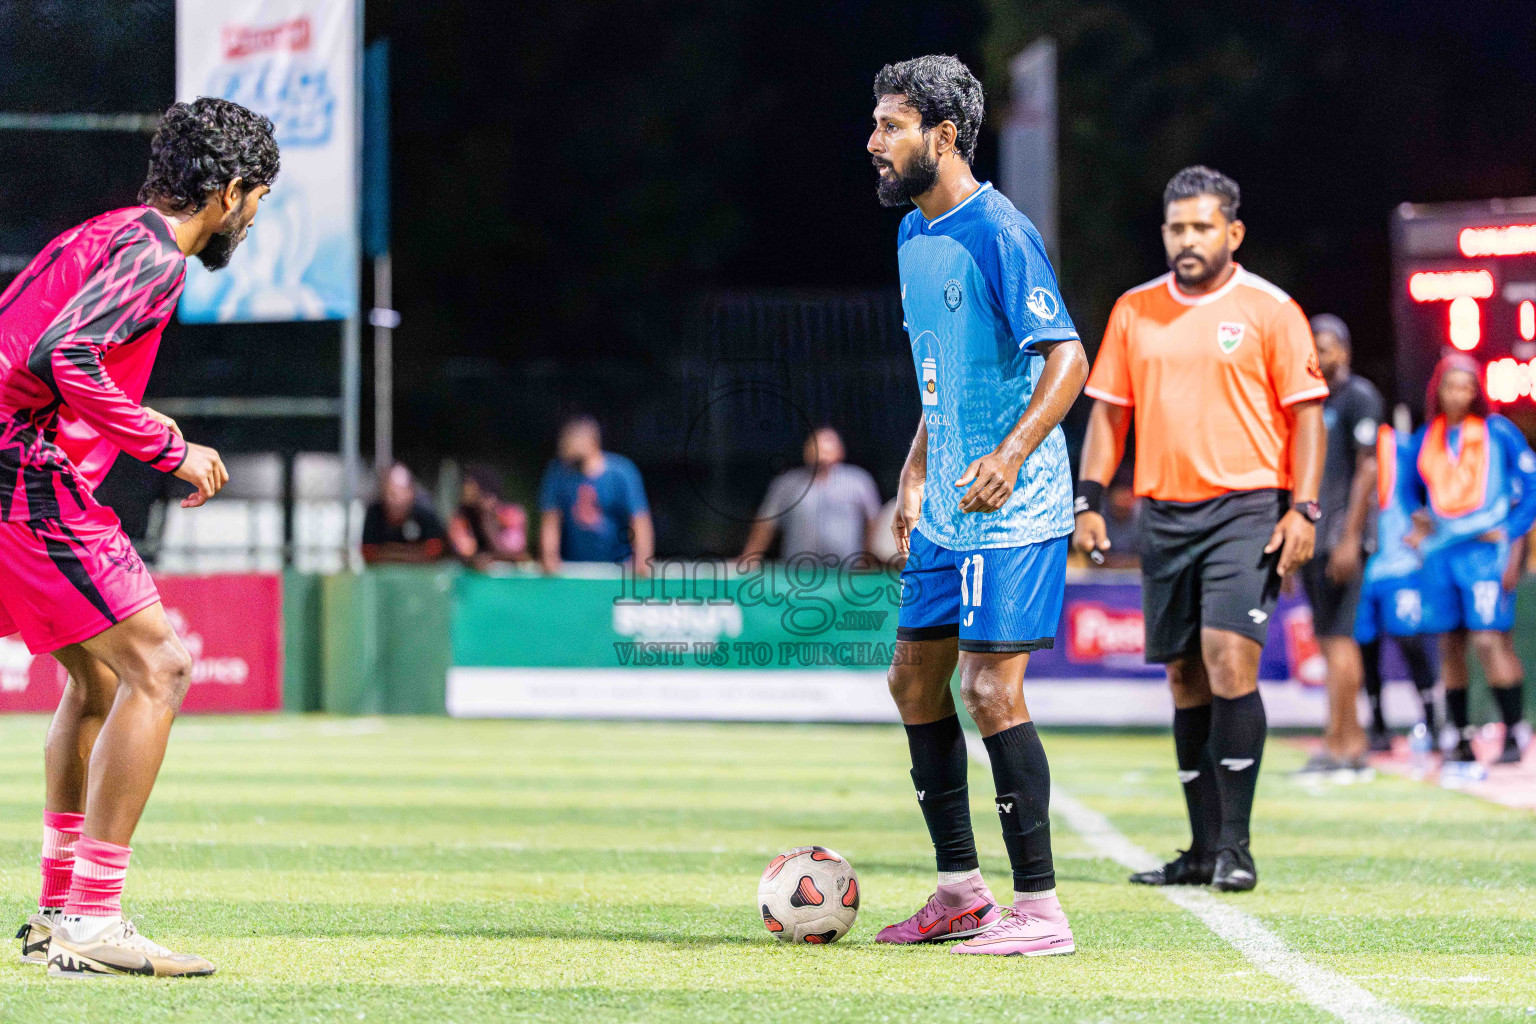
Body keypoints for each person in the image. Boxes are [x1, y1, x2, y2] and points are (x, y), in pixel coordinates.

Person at [1, 97, 278, 977]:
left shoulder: (109, 232)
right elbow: (65, 354)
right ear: (229, 191)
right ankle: (93, 917)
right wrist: (168, 447)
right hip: (19, 470)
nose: (253, 217)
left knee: (94, 680)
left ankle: (57, 914)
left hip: (18, 464)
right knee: (160, 667)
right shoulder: (157, 256)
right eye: (257, 198)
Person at [868, 55, 1088, 956]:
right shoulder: (912, 236)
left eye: (891, 126)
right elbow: (941, 376)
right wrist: (915, 469)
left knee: (989, 689)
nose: (874, 142)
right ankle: (960, 893)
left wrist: (1010, 454)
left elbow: (1068, 356)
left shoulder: (999, 230)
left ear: (945, 135)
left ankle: (1041, 913)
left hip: (1015, 504)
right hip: (948, 506)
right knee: (912, 681)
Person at [1074, 166, 1327, 892]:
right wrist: (1088, 500)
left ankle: (1237, 850)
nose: (1188, 240)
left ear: (1233, 233)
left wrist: (1304, 508)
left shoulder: (1271, 309)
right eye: (1177, 228)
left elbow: (1307, 416)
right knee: (1184, 675)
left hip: (1247, 510)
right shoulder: (1135, 310)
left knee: (1228, 659)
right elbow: (1110, 415)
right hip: (1163, 514)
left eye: (1202, 227)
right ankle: (1200, 848)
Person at [1401, 355, 1536, 766]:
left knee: (1490, 640)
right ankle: (1460, 736)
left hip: (1485, 553)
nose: (1458, 394)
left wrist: (1512, 531)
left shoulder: (1498, 432)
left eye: (1466, 386)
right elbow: (1406, 488)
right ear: (1438, 390)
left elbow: (1530, 486)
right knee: (1450, 643)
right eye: (1451, 385)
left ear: (1477, 391)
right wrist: (1416, 519)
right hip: (1441, 553)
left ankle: (1513, 731)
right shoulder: (1427, 436)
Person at [1295, 314, 1383, 772]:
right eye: (1313, 345)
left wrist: (1350, 538)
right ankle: (1345, 740)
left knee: (1339, 640)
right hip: (1315, 537)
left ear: (1344, 351)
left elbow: (1368, 467)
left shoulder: (1358, 397)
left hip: (1342, 538)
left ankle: (1345, 744)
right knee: (1330, 641)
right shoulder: (1311, 399)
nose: (1318, 353)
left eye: (1325, 346)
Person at [1354, 423, 1441, 741]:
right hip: (1361, 567)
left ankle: (1431, 720)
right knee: (1365, 648)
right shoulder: (1341, 445)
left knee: (1411, 641)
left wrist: (1427, 526)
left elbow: (1437, 483)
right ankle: (1377, 725)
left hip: (1400, 563)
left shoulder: (1403, 447)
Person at [738, 426, 882, 564]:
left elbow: (873, 521)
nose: (822, 457)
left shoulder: (858, 481)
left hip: (846, 569)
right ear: (806, 451)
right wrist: (750, 557)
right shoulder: (787, 483)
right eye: (817, 449)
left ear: (840, 452)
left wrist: (869, 559)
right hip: (797, 569)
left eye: (828, 451)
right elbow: (766, 522)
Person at [538, 416, 653, 574]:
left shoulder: (622, 472)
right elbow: (551, 520)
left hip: (619, 568)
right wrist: (549, 557)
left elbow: (639, 519)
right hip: (573, 569)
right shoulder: (558, 473)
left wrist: (643, 559)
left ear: (592, 442)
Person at [361, 462, 449, 564]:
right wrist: (412, 552)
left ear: (410, 492)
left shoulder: (425, 513)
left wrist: (389, 552)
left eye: (400, 492)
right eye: (391, 493)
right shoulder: (374, 513)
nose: (395, 500)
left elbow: (436, 551)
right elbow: (368, 552)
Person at [448, 463, 529, 568]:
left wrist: (488, 518)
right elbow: (464, 550)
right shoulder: (462, 518)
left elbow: (515, 551)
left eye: (470, 483)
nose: (465, 488)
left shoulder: (510, 514)